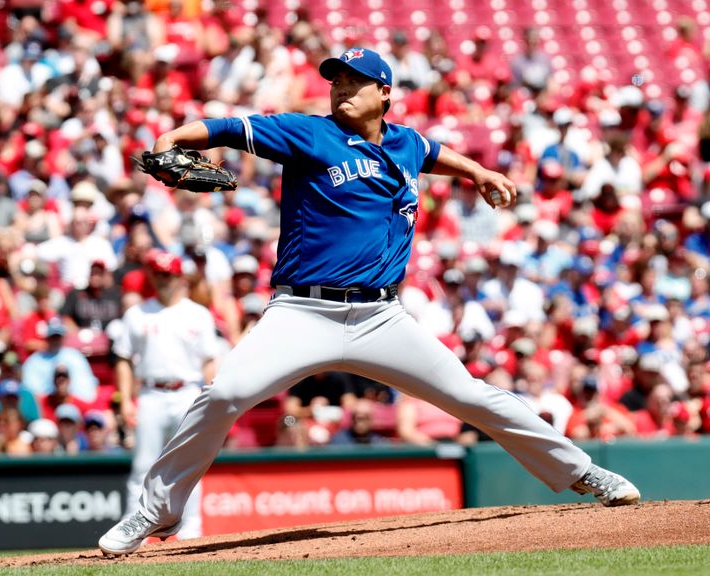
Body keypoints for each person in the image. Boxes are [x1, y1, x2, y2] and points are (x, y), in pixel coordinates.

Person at [99, 47, 641, 556]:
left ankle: (581, 471)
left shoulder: (406, 142)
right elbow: (224, 128)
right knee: (224, 395)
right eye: (336, 80)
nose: (341, 88)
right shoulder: (308, 134)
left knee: (470, 396)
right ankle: (154, 512)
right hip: (302, 312)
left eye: (354, 81)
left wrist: (476, 170)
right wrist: (173, 135)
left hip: (382, 317)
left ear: (385, 92)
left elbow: (432, 152)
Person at [114, 248, 220, 541]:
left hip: (188, 392)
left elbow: (210, 361)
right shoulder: (137, 313)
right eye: (157, 274)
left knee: (189, 464)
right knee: (143, 465)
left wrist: (209, 402)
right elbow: (123, 358)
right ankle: (132, 529)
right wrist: (126, 400)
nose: (162, 280)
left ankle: (191, 529)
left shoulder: (198, 314)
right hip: (150, 392)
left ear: (178, 277)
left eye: (167, 274)